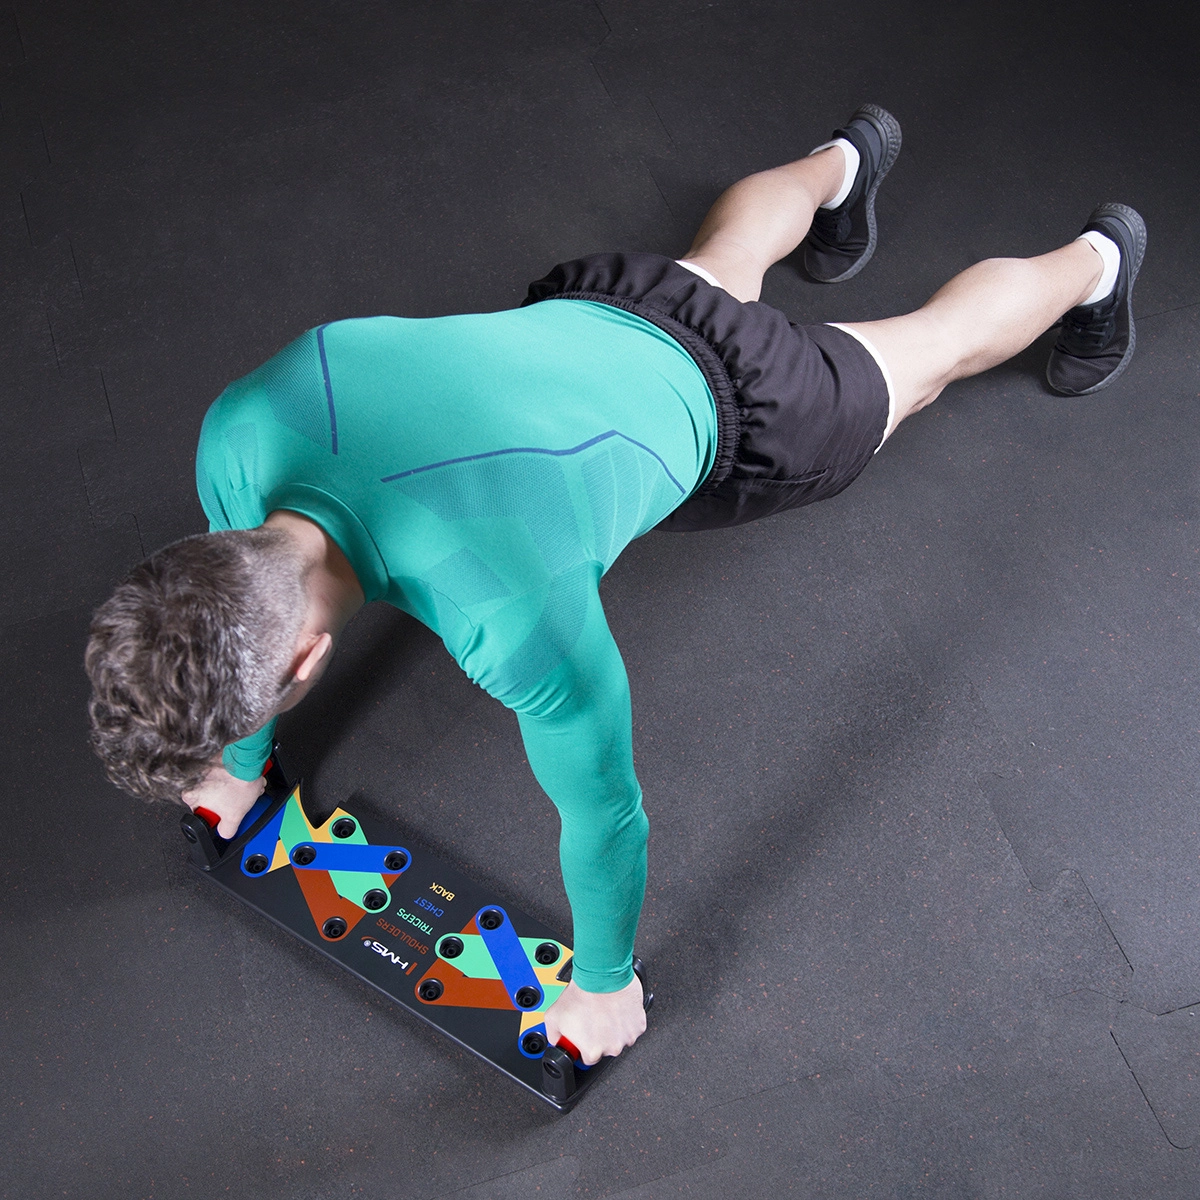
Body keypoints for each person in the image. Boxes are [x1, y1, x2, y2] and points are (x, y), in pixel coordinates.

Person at [84, 104, 1146, 1065]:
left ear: (308, 664)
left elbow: (607, 815)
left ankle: (1097, 264)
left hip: (738, 406)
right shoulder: (238, 432)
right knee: (718, 263)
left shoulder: (510, 613)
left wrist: (602, 986)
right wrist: (239, 767)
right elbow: (238, 617)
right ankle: (846, 159)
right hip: (597, 308)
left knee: (930, 354)